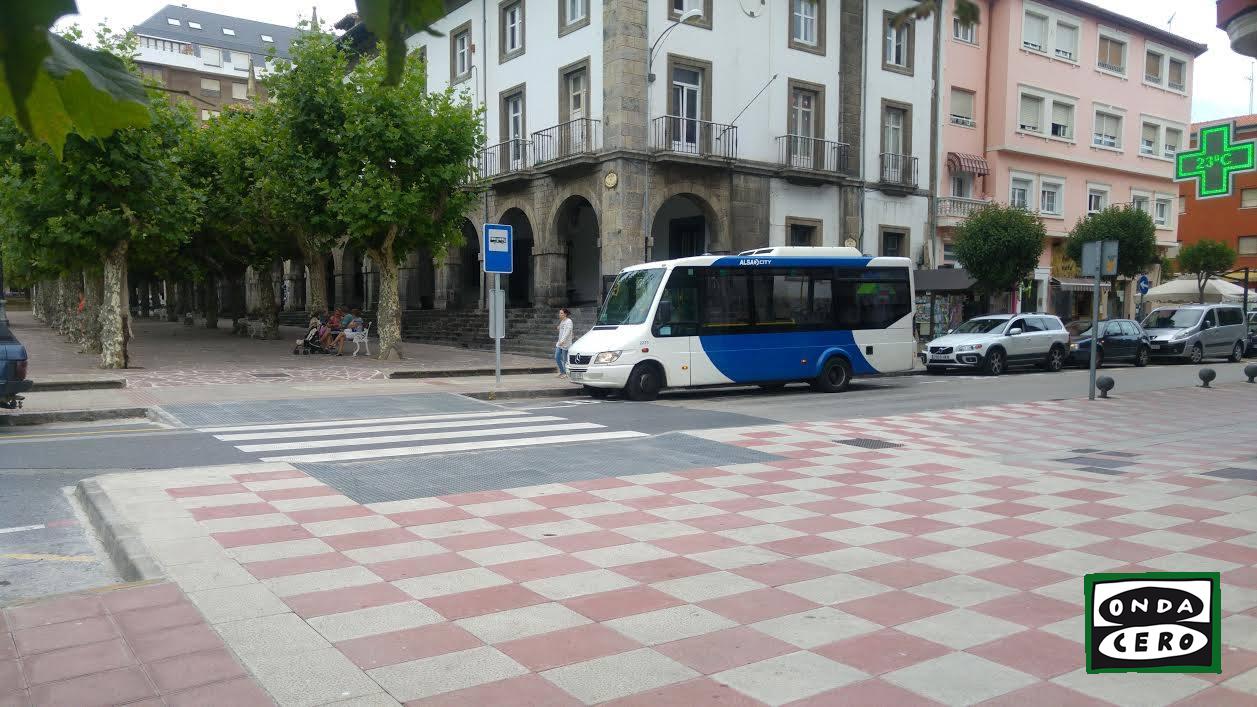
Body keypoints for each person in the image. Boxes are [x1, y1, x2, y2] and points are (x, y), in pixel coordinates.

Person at [555, 308, 573, 378]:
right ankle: (562, 371)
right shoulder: (562, 321)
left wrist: (563, 340)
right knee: (557, 357)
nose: (560, 314)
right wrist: (559, 327)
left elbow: (567, 332)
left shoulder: (569, 321)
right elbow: (561, 329)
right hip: (559, 343)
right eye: (560, 313)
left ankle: (565, 373)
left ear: (565, 314)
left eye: (561, 313)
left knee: (565, 359)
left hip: (565, 343)